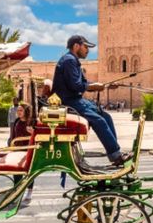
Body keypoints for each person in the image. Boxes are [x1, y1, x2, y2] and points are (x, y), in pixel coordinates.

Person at [52, 35, 131, 165]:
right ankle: (116, 155)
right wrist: (94, 86)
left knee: (106, 117)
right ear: (76, 46)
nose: (88, 50)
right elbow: (76, 86)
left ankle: (115, 154)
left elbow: (83, 83)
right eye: (86, 47)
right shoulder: (68, 61)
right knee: (99, 121)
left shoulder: (73, 61)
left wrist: (104, 85)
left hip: (77, 100)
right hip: (69, 102)